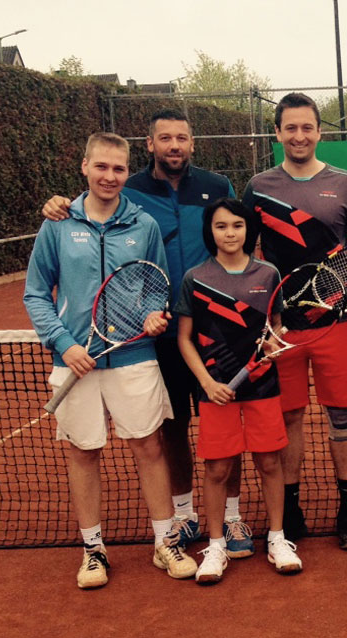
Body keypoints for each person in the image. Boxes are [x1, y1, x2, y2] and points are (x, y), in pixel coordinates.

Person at [41, 110, 247, 556]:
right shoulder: (129, 193)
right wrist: (60, 206)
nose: (175, 146)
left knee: (222, 422)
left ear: (192, 144)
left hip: (217, 328)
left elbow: (238, 241)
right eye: (165, 138)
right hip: (157, 338)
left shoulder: (217, 187)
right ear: (150, 144)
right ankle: (184, 514)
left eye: (183, 138)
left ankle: (231, 518)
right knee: (170, 427)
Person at [23, 132, 198, 588]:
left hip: (134, 357)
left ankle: (165, 542)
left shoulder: (143, 226)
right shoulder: (57, 224)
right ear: (85, 166)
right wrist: (64, 343)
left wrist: (153, 318)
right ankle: (93, 551)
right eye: (101, 167)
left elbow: (155, 286)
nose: (109, 176)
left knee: (149, 447)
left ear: (127, 171)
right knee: (84, 453)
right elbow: (37, 293)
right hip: (75, 359)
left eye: (118, 169)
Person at [243, 92, 347, 550]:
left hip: (336, 322)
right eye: (290, 128)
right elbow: (242, 251)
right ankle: (292, 506)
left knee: (341, 416)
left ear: (319, 132)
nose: (299, 136)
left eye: (307, 127)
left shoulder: (344, 183)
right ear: (277, 133)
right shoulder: (259, 186)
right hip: (282, 327)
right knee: (290, 417)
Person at [174, 197, 303, 582]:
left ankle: (278, 540)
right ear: (209, 231)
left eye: (237, 226)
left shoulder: (267, 274)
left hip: (263, 387)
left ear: (248, 230)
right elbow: (184, 339)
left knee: (269, 463)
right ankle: (215, 547)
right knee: (217, 468)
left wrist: (273, 345)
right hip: (216, 391)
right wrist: (207, 383)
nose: (230, 233)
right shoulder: (195, 278)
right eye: (221, 226)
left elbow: (276, 327)